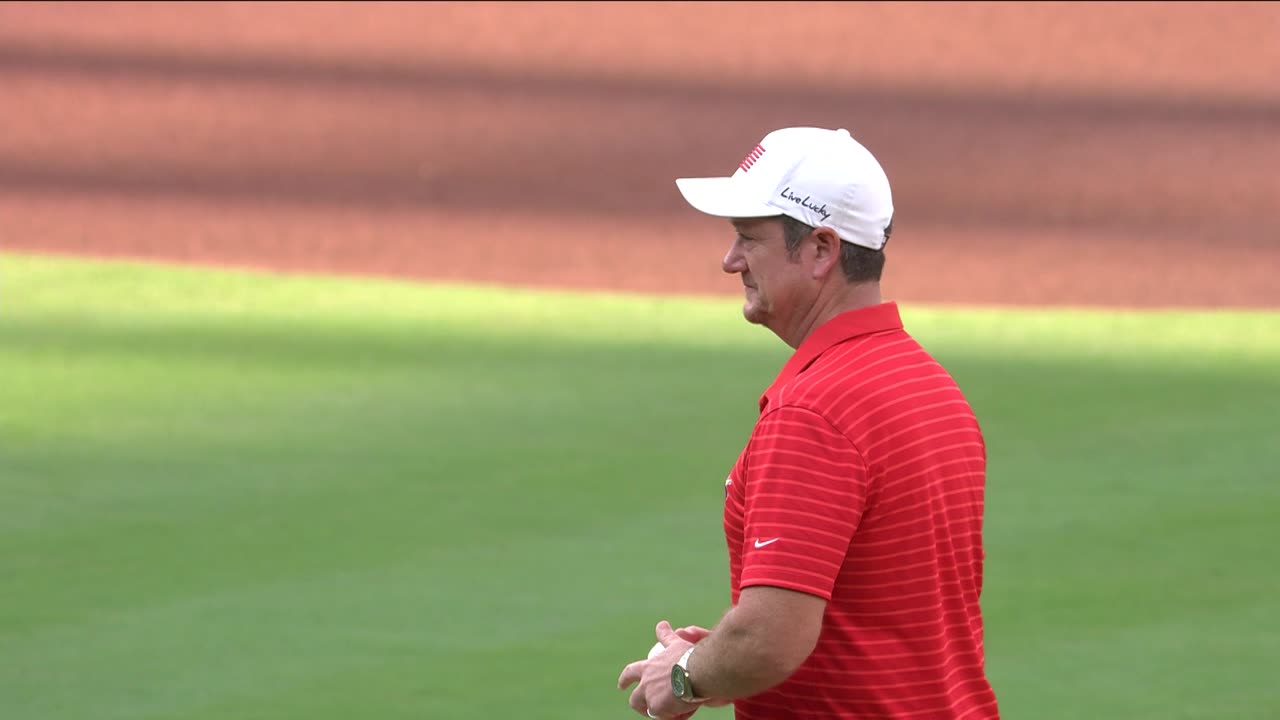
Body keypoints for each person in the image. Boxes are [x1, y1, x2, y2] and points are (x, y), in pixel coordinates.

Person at [617, 127, 1000, 719]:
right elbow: (870, 610)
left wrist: (686, 676)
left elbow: (774, 637)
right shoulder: (931, 387)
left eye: (749, 239)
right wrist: (724, 658)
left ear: (821, 250)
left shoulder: (814, 411)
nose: (730, 261)